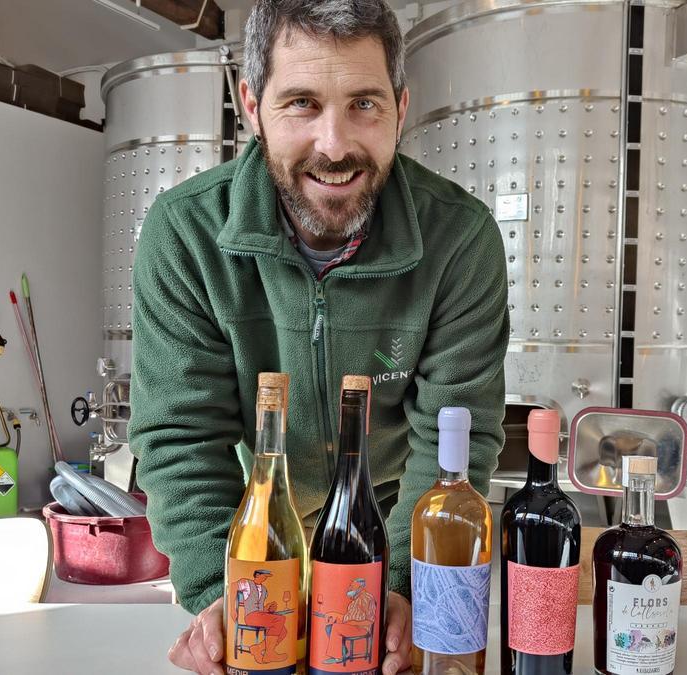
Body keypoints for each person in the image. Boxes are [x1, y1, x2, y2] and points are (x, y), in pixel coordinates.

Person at [126, 1, 508, 673]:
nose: (335, 145)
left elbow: (453, 439)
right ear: (250, 103)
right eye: (301, 103)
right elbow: (183, 440)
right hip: (258, 532)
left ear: (402, 106)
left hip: (390, 530)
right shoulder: (183, 236)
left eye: (364, 104)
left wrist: (394, 586)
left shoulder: (462, 240)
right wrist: (226, 592)